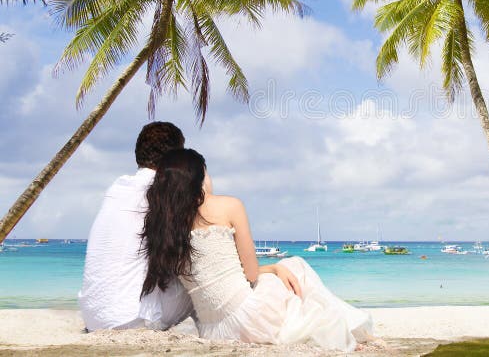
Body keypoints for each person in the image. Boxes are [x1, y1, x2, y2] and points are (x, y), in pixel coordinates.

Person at [140, 148, 373, 351]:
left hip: (212, 329)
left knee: (284, 269)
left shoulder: (163, 227)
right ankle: (352, 327)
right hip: (248, 317)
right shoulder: (229, 205)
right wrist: (273, 269)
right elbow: (251, 274)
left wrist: (271, 268)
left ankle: (347, 327)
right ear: (198, 178)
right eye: (206, 172)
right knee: (296, 265)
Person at [79, 122, 194, 331]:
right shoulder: (163, 191)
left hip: (93, 315)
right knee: (200, 283)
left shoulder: (118, 186)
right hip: (128, 318)